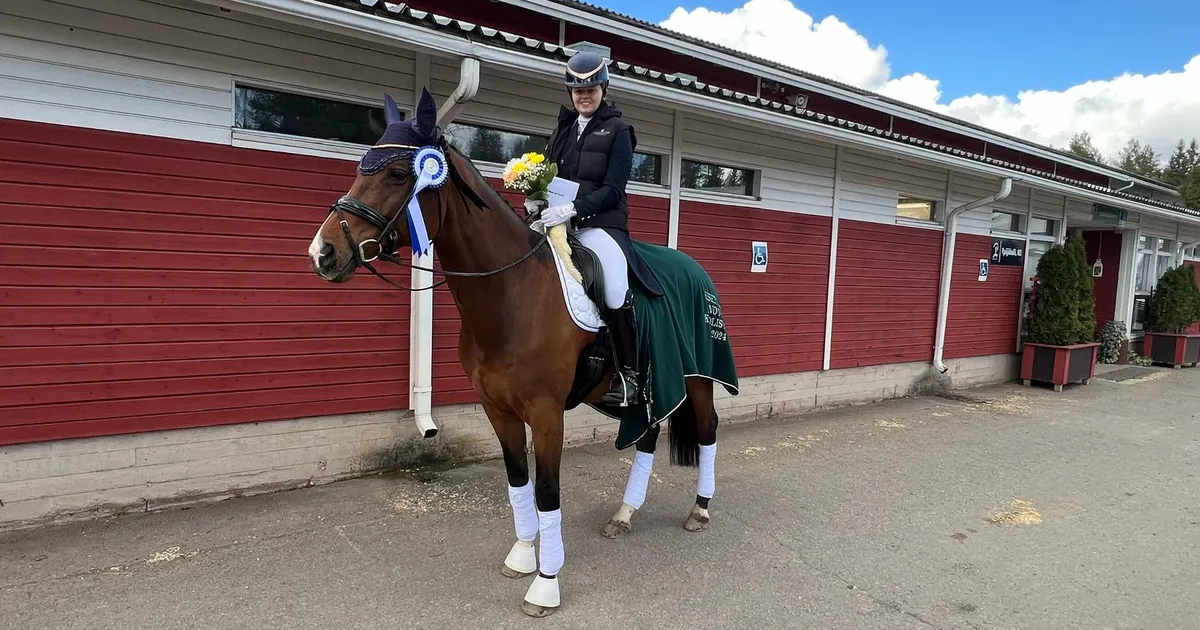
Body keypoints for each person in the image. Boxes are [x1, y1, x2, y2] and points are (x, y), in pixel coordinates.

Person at [528, 51, 643, 407]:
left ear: (603, 88)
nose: (584, 96)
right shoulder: (562, 129)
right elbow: (546, 175)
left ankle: (630, 377)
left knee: (614, 287)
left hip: (601, 225)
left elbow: (614, 189)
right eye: (577, 90)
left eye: (591, 88)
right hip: (559, 222)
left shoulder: (619, 131)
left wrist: (574, 208)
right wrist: (536, 200)